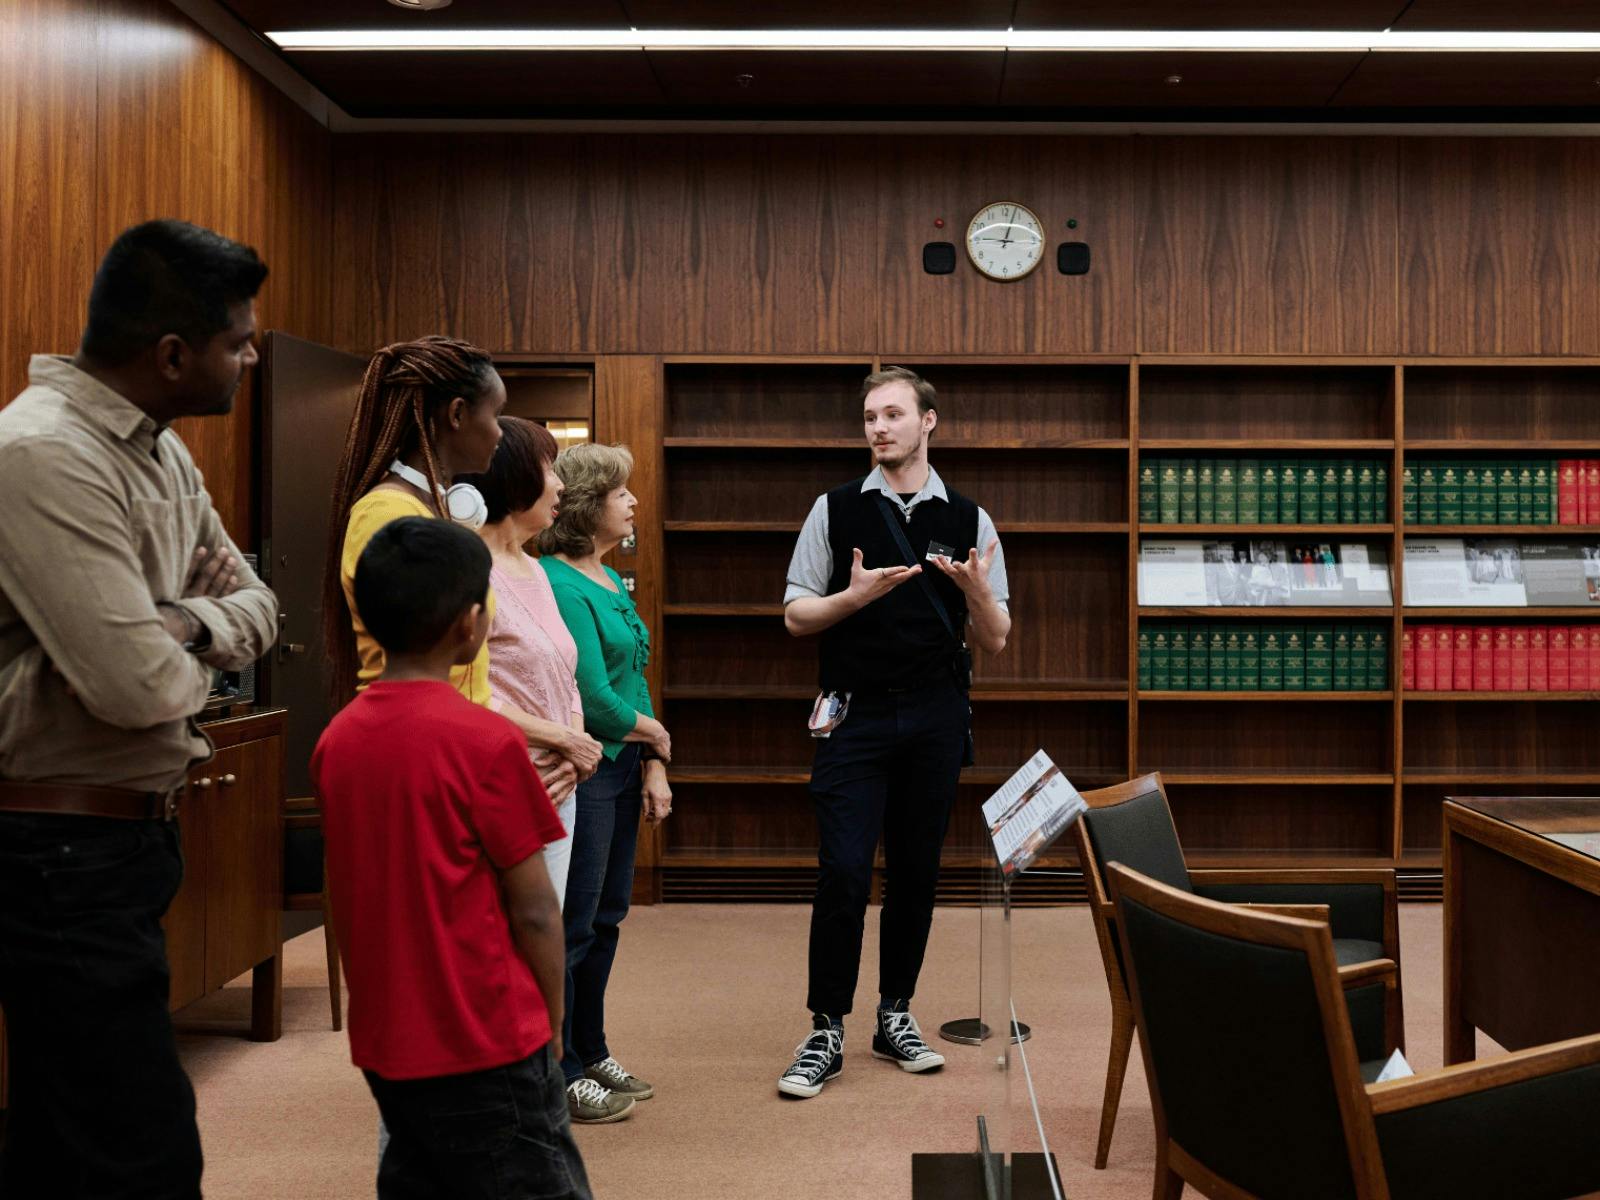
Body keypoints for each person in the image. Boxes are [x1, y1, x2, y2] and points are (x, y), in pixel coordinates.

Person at [0, 219, 278, 1198]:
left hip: (126, 843)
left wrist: (184, 622)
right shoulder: (44, 452)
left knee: (68, 1142)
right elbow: (138, 688)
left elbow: (259, 606)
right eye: (239, 342)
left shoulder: (160, 455)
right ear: (171, 354)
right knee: (138, 1153)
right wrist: (192, 642)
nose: (250, 359)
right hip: (55, 849)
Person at [312, 517, 589, 1200]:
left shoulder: (337, 740)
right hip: (489, 1035)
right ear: (471, 624)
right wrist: (554, 1019)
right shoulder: (486, 742)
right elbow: (535, 909)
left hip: (388, 1038)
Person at [778, 366, 1011, 1099]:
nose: (878, 428)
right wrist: (851, 597)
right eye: (870, 418)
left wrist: (977, 592)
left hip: (936, 715)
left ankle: (894, 1015)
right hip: (855, 714)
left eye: (893, 415)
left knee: (916, 871)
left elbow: (996, 638)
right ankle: (825, 1028)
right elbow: (795, 615)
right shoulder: (833, 509)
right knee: (845, 870)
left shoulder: (971, 519)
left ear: (928, 421)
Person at [320, 338, 578, 801]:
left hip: (454, 751)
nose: (499, 433)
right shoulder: (387, 513)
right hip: (421, 755)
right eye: (495, 415)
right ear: (457, 414)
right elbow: (420, 664)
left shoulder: (430, 510)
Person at [540, 443, 673, 1124]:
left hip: (623, 766)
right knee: (574, 924)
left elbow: (634, 676)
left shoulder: (611, 578)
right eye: (621, 493)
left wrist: (653, 762)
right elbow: (592, 697)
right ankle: (560, 1068)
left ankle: (591, 1048)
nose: (633, 502)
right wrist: (655, 733)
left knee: (607, 917)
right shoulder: (557, 581)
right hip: (587, 768)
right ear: (590, 505)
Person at [458, 417, 604, 904]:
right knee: (506, 932)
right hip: (503, 785)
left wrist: (574, 748)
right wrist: (564, 739)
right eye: (550, 469)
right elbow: (461, 694)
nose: (561, 485)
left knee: (547, 927)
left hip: (559, 781)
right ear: (514, 477)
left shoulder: (537, 569)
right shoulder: (468, 569)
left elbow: (564, 675)